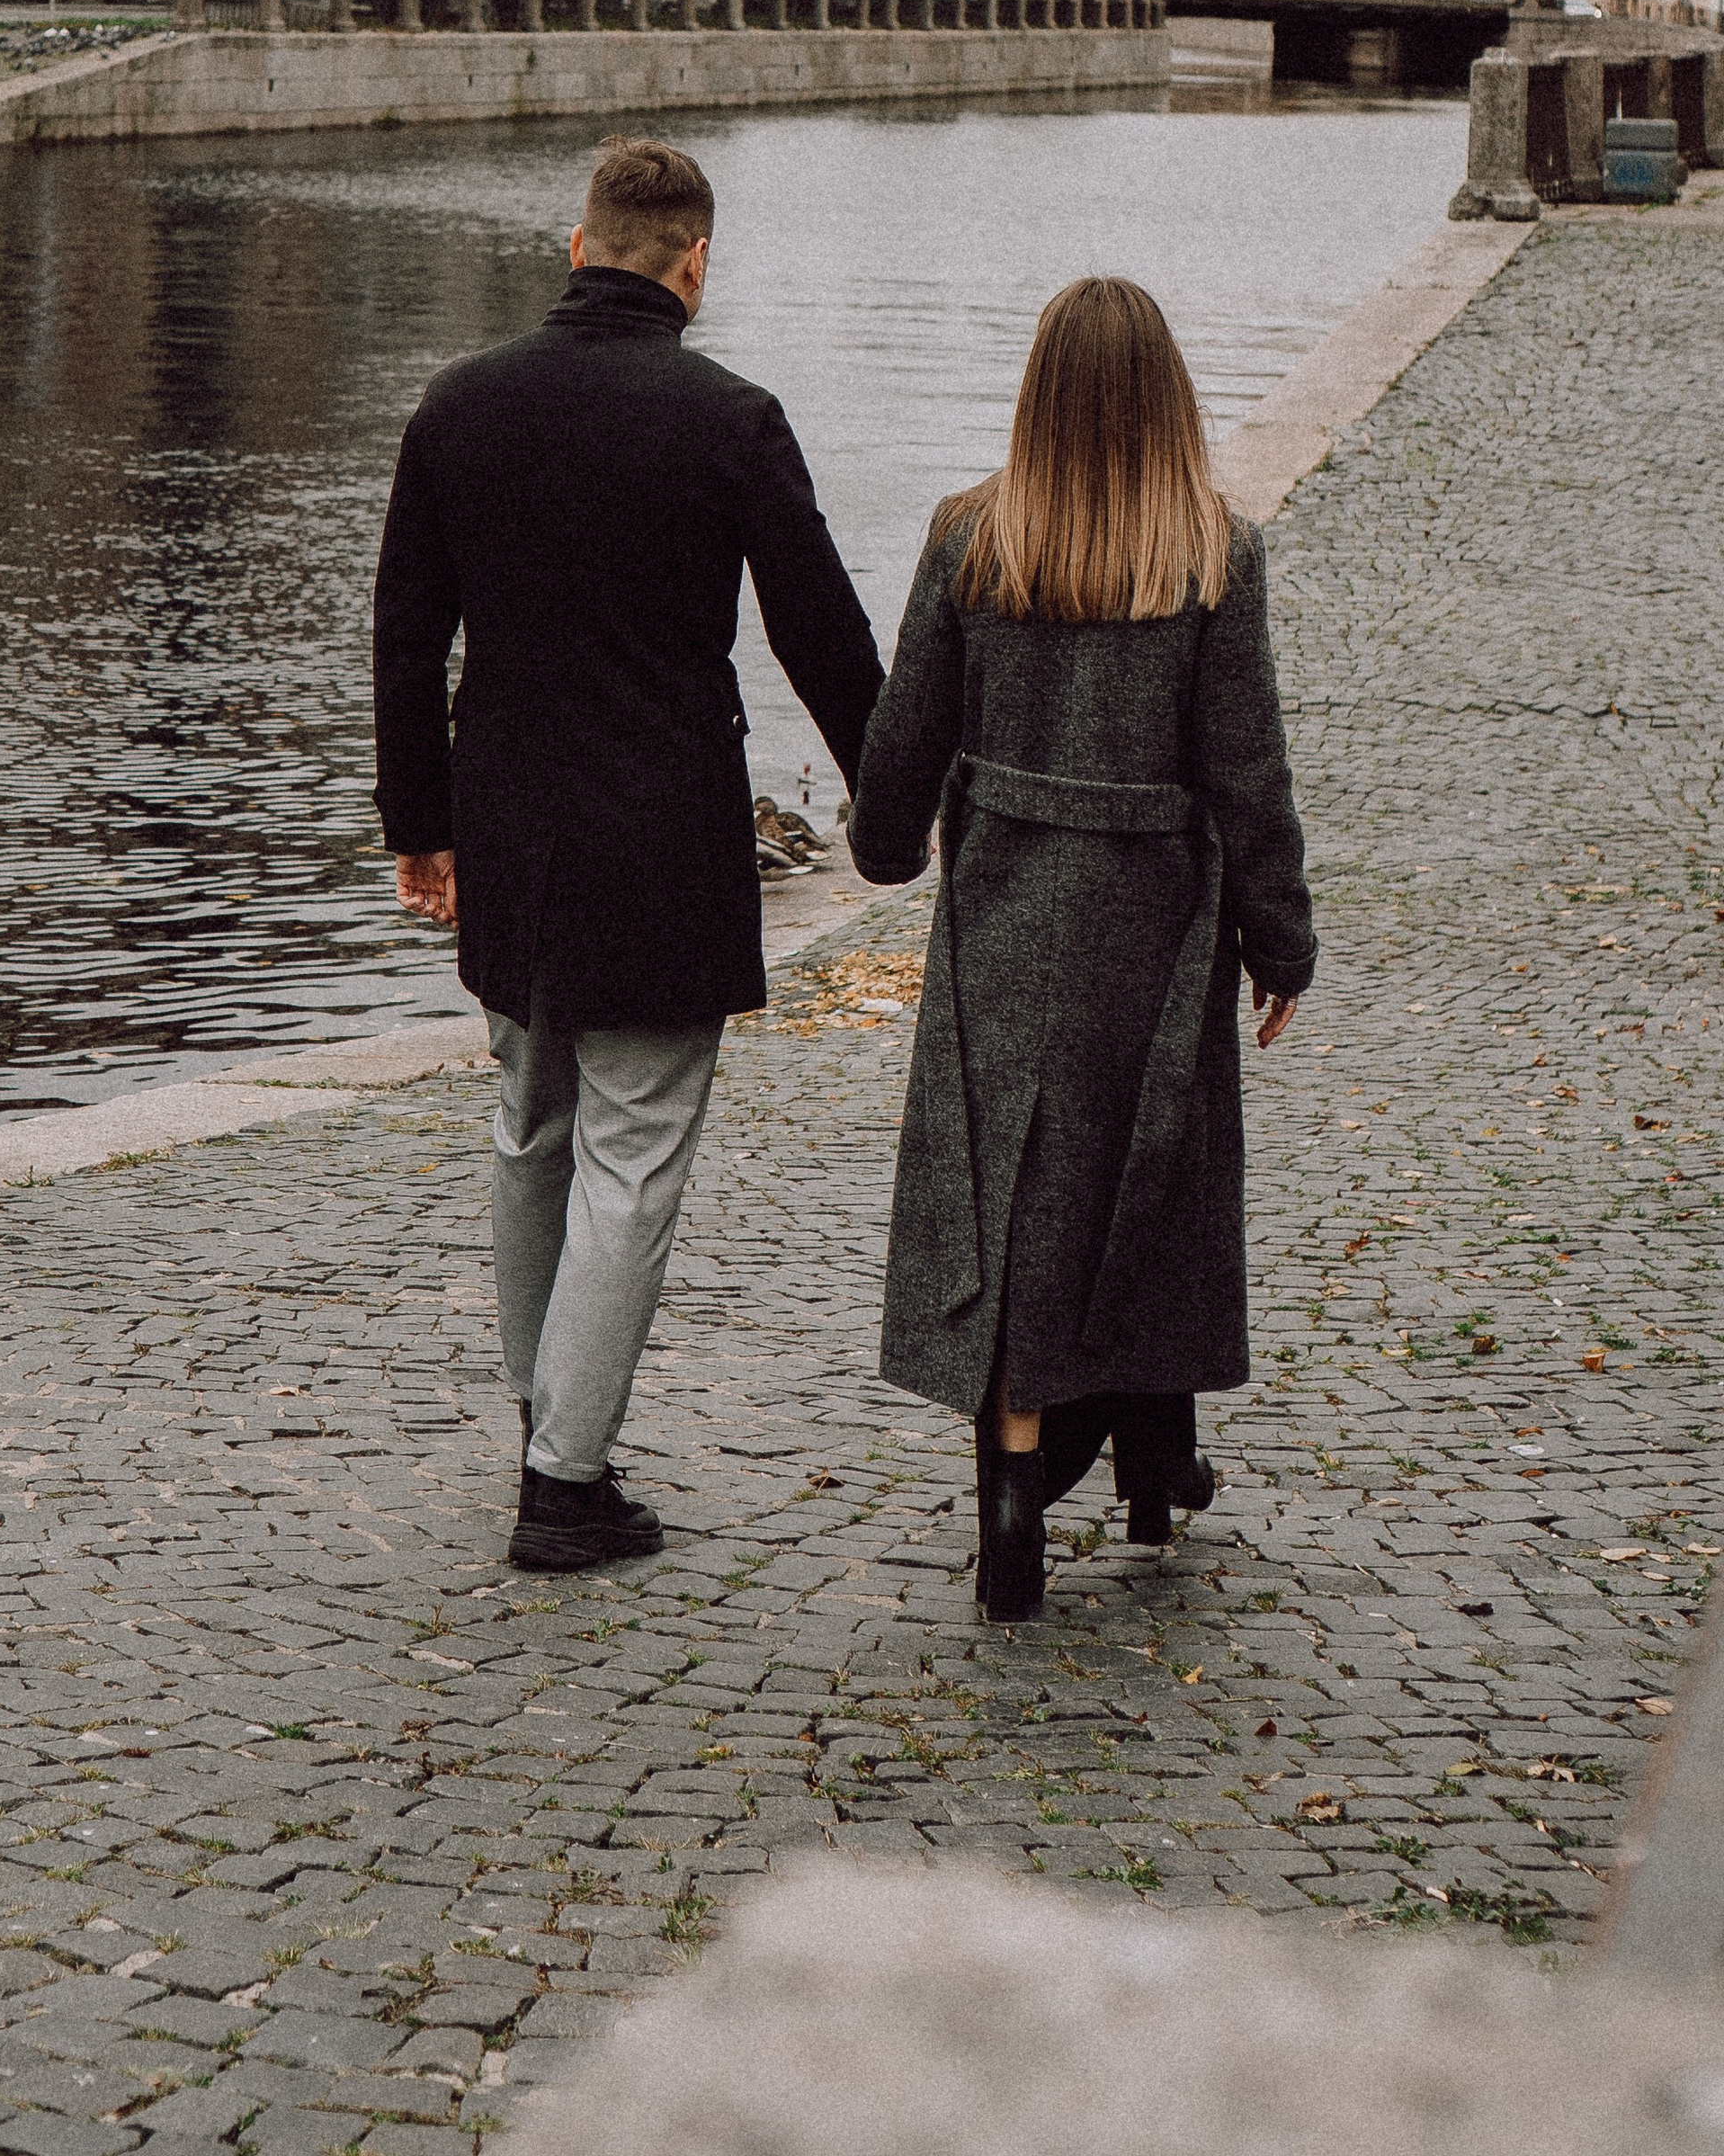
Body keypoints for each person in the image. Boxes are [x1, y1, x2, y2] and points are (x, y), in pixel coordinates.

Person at [373, 136, 884, 1573]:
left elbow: (407, 638)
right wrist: (899, 811)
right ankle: (566, 1476)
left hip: (509, 821)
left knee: (530, 1125)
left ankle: (551, 1414)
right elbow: (822, 637)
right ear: (694, 264)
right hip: (663, 828)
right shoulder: (731, 417)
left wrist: (421, 825)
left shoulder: (459, 405)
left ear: (578, 245)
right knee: (636, 1149)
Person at [847, 275, 1314, 1624]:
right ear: (1170, 397)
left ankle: (1011, 1495)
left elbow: (904, 734)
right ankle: (1158, 1460)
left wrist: (884, 846)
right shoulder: (1213, 551)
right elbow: (1248, 770)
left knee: (1018, 1196)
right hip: (1158, 923)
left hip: (1004, 909)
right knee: (1146, 1174)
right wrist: (1279, 936)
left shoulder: (968, 541)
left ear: (1036, 393)